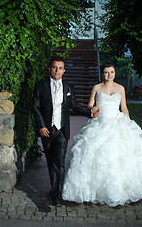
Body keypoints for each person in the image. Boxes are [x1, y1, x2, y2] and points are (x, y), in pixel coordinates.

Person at [62, 62, 142, 207]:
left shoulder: (120, 88)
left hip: (117, 121)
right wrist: (93, 108)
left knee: (120, 155)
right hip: (100, 122)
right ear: (102, 73)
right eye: (106, 72)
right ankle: (94, 191)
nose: (109, 75)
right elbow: (90, 105)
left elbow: (124, 107)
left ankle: (122, 190)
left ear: (115, 73)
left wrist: (127, 120)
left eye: (112, 72)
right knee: (93, 155)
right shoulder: (97, 88)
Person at [31, 56, 99, 207]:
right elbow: (35, 107)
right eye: (55, 67)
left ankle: (57, 195)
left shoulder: (68, 87)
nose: (57, 70)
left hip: (62, 130)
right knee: (50, 161)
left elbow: (74, 105)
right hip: (47, 130)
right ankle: (53, 188)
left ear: (64, 70)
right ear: (50, 68)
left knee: (59, 162)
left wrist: (90, 113)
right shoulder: (40, 85)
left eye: (60, 68)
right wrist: (41, 126)